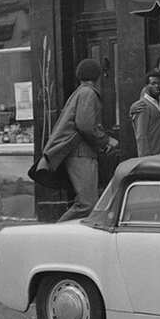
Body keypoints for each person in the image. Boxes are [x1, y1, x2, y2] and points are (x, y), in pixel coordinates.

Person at [39, 59, 118, 222]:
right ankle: (54, 235)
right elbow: (85, 125)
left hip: (78, 152)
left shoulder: (80, 92)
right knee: (87, 204)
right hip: (81, 153)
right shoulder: (88, 93)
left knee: (88, 203)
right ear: (97, 76)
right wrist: (106, 140)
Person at [130, 70, 160, 157]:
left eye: (159, 83)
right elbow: (141, 135)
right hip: (150, 156)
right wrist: (145, 158)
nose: (157, 86)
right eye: (153, 83)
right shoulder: (142, 106)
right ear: (146, 86)